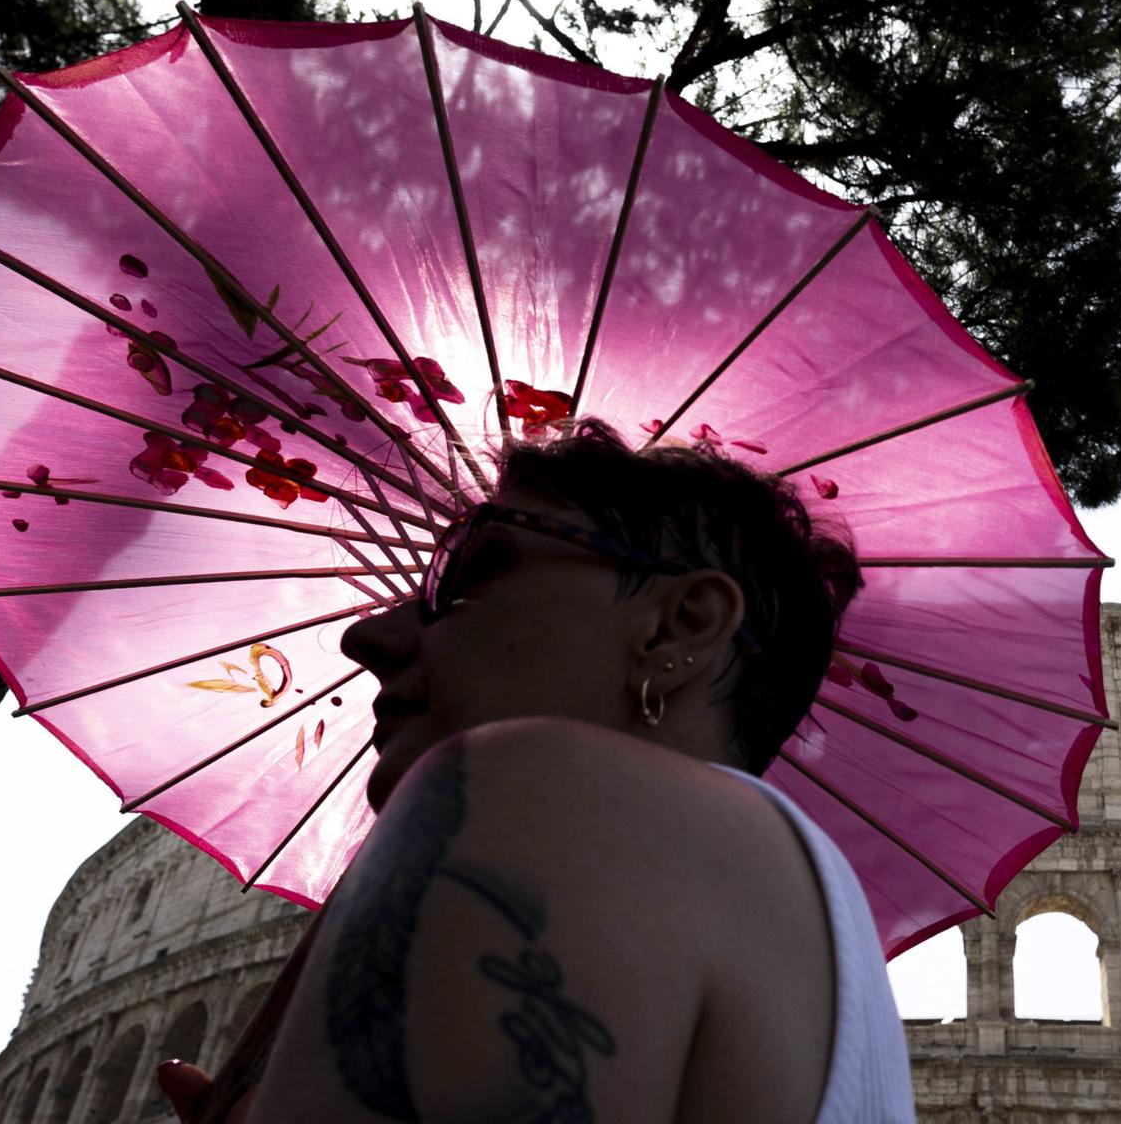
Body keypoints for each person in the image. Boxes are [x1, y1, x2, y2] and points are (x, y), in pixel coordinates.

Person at [156, 419, 918, 1122]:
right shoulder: (807, 952)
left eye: (472, 576)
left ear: (676, 626)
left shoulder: (547, 783)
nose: (373, 634)